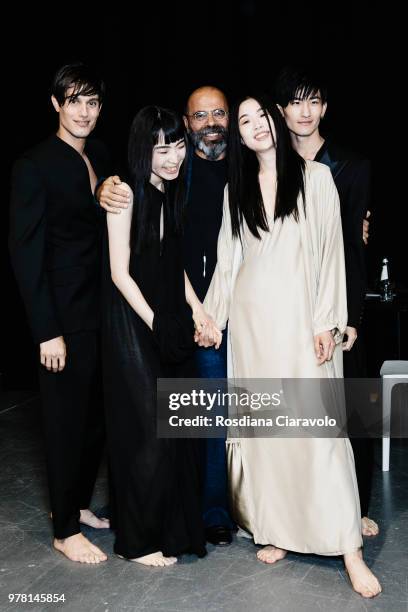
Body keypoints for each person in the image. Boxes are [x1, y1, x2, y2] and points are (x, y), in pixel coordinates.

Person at [200, 94, 381, 598]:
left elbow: (331, 256)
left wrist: (329, 322)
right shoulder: (235, 188)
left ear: (276, 121)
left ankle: (348, 548)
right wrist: (213, 318)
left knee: (321, 437)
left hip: (304, 326)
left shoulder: (316, 178)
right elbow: (227, 258)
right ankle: (280, 529)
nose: (256, 125)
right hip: (255, 329)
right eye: (245, 120)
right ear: (238, 134)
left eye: (261, 115)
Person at [97, 86, 235, 546]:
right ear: (144, 150)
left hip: (166, 321)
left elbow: (174, 267)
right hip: (133, 324)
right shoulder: (127, 195)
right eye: (162, 148)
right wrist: (155, 322)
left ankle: (167, 529)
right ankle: (136, 544)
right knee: (144, 434)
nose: (174, 157)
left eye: (177, 147)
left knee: (174, 434)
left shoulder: (170, 195)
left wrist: (199, 313)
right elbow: (119, 273)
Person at [9, 63, 110, 564]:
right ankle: (64, 529)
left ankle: (77, 505)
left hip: (99, 314)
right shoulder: (35, 164)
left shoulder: (98, 158)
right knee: (65, 421)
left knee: (94, 420)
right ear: (55, 104)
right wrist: (46, 330)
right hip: (62, 320)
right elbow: (26, 253)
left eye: (92, 102)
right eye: (74, 101)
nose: (84, 112)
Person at [274, 65, 378, 537]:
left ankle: (355, 507)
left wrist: (350, 315)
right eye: (296, 102)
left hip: (336, 304)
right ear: (281, 110)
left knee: (351, 406)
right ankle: (295, 514)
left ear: (325, 108)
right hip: (285, 305)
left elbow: (357, 249)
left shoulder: (351, 166)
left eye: (313, 101)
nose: (305, 111)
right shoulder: (270, 167)